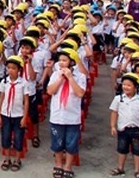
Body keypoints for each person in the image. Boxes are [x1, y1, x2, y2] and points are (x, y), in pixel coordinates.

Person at [46, 48, 86, 178]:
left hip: (72, 116)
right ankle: (58, 164)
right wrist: (60, 79)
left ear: (72, 62)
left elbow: (80, 93)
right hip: (57, 116)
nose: (61, 63)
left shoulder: (80, 76)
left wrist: (70, 78)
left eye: (65, 60)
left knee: (71, 143)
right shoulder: (55, 74)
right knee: (57, 143)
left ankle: (68, 166)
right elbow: (50, 91)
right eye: (60, 60)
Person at [109, 73, 139, 178]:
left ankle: (137, 171)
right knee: (122, 149)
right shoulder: (118, 99)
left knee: (137, 151)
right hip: (123, 129)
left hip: (136, 130)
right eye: (124, 84)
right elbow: (114, 112)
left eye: (129, 85)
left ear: (136, 87)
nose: (125, 87)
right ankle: (120, 168)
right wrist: (113, 126)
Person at [0, 56, 29, 172]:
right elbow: (1, 98)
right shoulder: (4, 82)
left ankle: (17, 160)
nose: (10, 70)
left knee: (18, 138)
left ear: (19, 70)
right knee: (5, 137)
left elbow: (26, 101)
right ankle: (7, 159)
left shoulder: (23, 83)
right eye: (8, 68)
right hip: (5, 114)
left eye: (13, 68)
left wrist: (24, 117)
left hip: (18, 115)